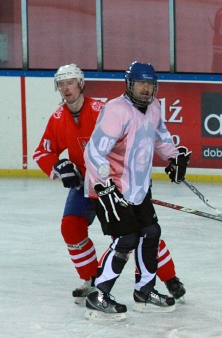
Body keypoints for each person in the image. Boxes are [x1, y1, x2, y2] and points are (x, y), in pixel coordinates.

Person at [32, 64, 187, 304]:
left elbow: (138, 141)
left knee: (144, 233)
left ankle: (167, 278)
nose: (66, 88)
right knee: (74, 228)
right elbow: (44, 152)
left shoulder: (103, 109)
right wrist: (59, 167)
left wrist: (140, 174)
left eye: (70, 82)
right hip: (88, 184)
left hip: (116, 182)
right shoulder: (58, 118)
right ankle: (93, 281)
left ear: (81, 84)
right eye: (61, 84)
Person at [81, 62, 192, 321]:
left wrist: (174, 158)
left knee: (151, 233)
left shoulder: (154, 107)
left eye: (150, 84)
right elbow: (94, 152)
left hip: (139, 188)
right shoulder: (116, 110)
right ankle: (98, 294)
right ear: (129, 84)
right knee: (127, 239)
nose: (146, 89)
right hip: (109, 188)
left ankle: (144, 291)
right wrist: (105, 185)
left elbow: (161, 139)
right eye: (140, 83)